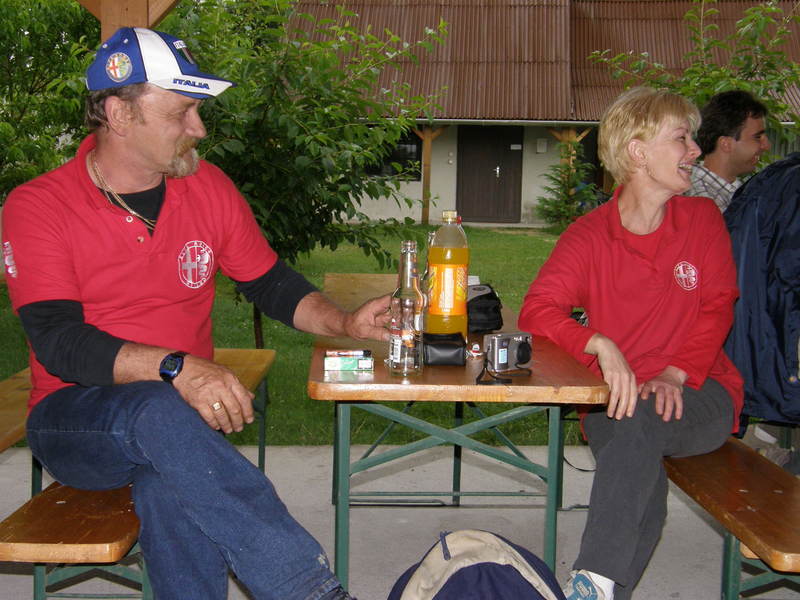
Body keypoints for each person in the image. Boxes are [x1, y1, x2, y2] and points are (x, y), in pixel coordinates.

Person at [1, 27, 390, 600]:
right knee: (157, 409)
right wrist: (176, 367)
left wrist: (346, 323)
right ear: (119, 114)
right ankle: (311, 591)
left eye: (199, 111)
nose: (199, 129)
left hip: (177, 423)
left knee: (172, 484)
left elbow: (271, 283)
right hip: (75, 418)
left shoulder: (207, 187)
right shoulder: (39, 206)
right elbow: (59, 342)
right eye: (181, 112)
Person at [518, 87, 743, 600]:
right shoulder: (589, 235)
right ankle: (600, 592)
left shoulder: (702, 220)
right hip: (614, 398)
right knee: (645, 492)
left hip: (699, 390)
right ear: (638, 152)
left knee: (641, 422)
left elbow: (718, 306)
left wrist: (674, 373)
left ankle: (591, 580)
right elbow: (538, 311)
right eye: (682, 138)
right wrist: (597, 342)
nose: (695, 150)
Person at [687, 89, 770, 211]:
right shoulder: (704, 202)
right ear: (726, 144)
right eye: (757, 137)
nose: (767, 145)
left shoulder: (736, 191)